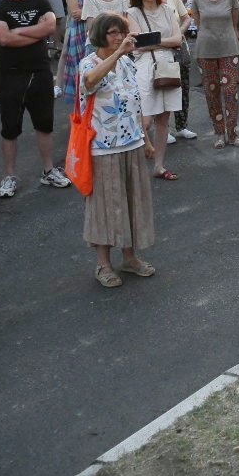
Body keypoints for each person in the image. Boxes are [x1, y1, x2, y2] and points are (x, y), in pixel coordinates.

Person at [77, 14, 156, 288]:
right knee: (106, 206)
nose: (119, 38)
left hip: (131, 142)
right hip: (103, 147)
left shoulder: (127, 62)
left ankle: (130, 258)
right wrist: (117, 54)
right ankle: (103, 264)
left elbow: (135, 106)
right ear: (101, 35)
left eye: (122, 32)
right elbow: (89, 82)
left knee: (132, 201)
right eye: (113, 33)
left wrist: (146, 140)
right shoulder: (89, 63)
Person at [0, 0, 68, 199]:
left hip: (40, 71)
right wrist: (36, 32)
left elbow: (50, 28)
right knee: (10, 128)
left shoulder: (41, 1)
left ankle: (48, 170)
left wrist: (20, 30)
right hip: (12, 75)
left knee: (44, 124)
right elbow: (5, 39)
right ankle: (10, 175)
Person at [126, 0, 187, 179]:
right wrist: (163, 40)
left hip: (167, 65)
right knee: (145, 119)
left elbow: (178, 40)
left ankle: (159, 166)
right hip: (144, 66)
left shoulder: (168, 9)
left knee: (164, 117)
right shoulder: (132, 12)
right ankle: (137, 161)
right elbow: (138, 44)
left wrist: (153, 41)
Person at [189, 0, 239, 147]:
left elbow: (234, 21)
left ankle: (233, 133)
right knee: (211, 93)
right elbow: (198, 23)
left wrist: (233, 33)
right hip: (206, 49)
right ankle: (220, 134)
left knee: (230, 92)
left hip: (229, 46)